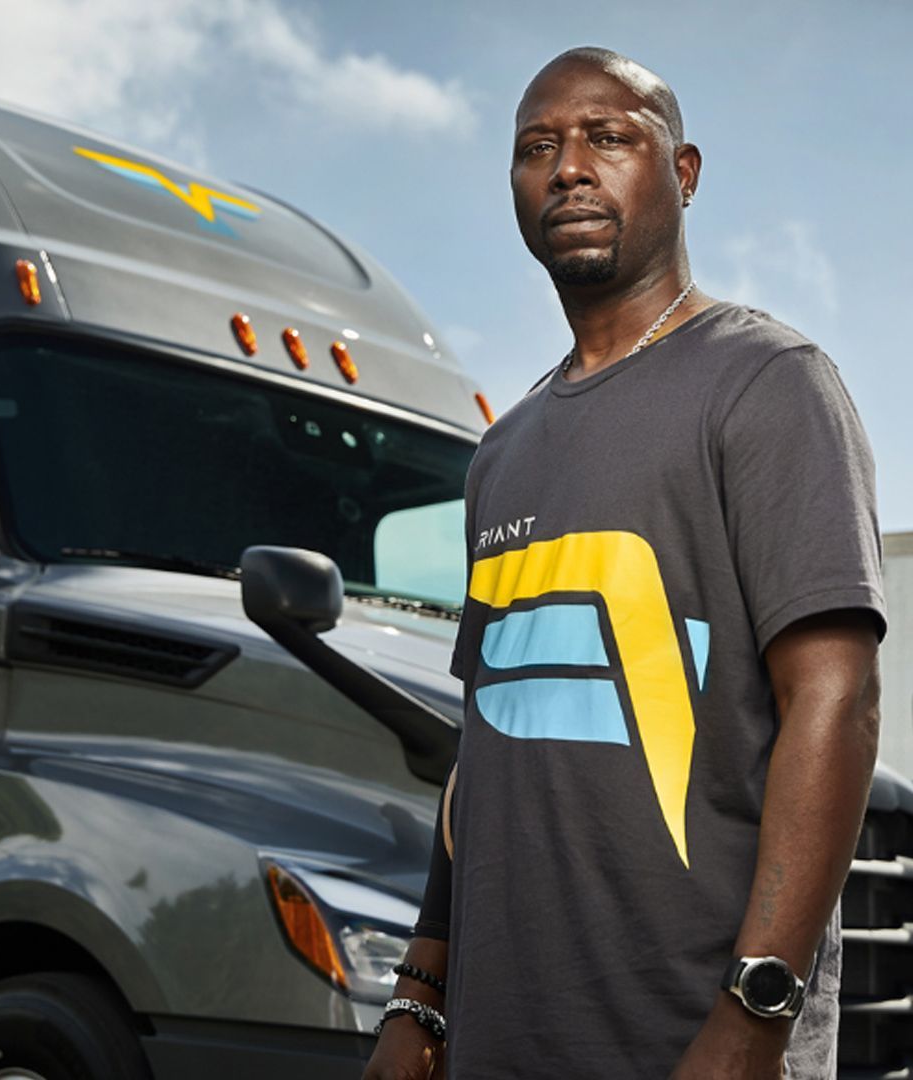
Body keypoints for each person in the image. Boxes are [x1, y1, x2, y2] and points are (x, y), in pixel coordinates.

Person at [362, 46, 884, 1079]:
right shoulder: (499, 453)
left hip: (694, 1038)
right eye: (538, 148)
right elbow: (484, 743)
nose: (568, 168)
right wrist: (420, 994)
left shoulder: (768, 384)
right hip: (500, 1040)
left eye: (609, 137)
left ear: (682, 175)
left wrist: (756, 1013)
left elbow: (837, 700)